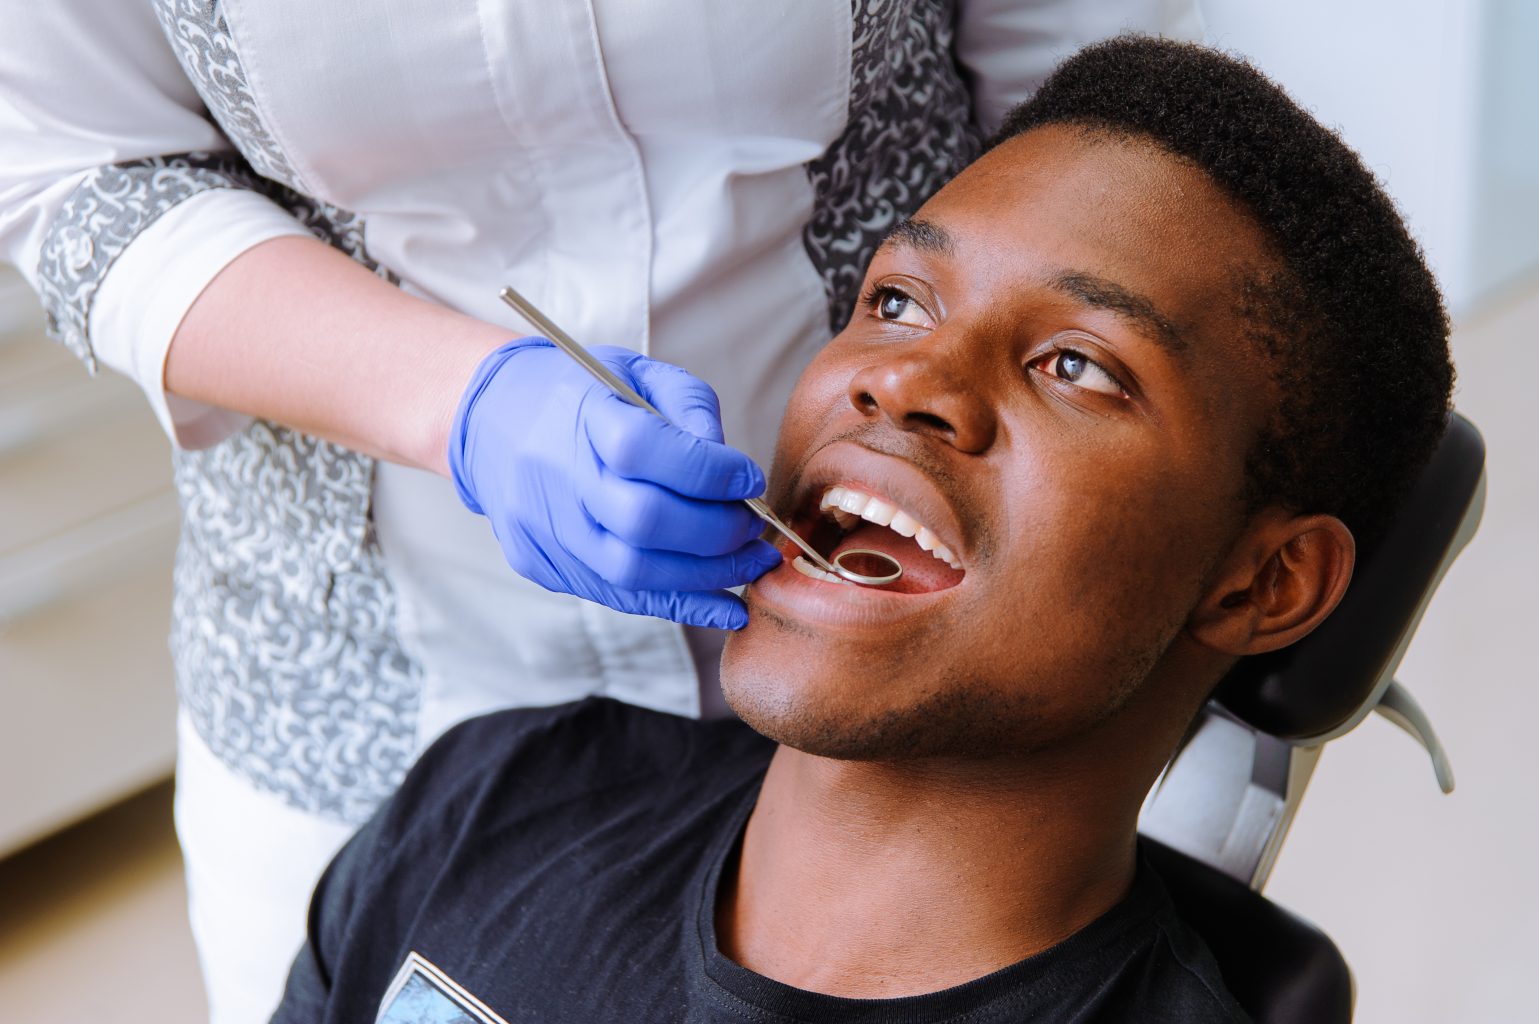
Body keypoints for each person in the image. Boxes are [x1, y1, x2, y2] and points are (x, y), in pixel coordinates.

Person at [0, 3, 1202, 1020]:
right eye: (893, 309)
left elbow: (1104, 142)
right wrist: (464, 407)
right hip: (381, 677)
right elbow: (70, 169)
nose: (905, 381)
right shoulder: (446, 820)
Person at [268, 36, 1455, 1023]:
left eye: (1077, 365)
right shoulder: (490, 800)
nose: (906, 380)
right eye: (895, 300)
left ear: (1266, 581)